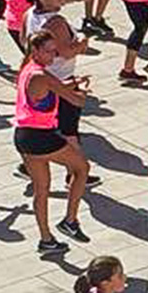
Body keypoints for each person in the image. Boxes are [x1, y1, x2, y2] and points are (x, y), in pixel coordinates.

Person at [13, 30, 91, 253]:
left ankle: (46, 239)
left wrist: (72, 82)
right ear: (35, 50)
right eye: (48, 52)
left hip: (23, 136)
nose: (53, 56)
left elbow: (54, 88)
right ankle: (70, 220)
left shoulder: (27, 69)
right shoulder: (41, 75)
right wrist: (81, 89)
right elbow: (77, 100)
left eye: (54, 52)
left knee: (41, 189)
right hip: (41, 137)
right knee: (81, 168)